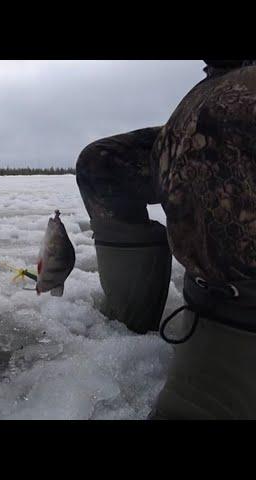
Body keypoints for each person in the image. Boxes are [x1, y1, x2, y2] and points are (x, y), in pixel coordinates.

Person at [75, 60, 256, 419]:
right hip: (217, 92)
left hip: (230, 113)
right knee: (103, 164)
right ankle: (128, 326)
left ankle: (230, 343)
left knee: (224, 118)